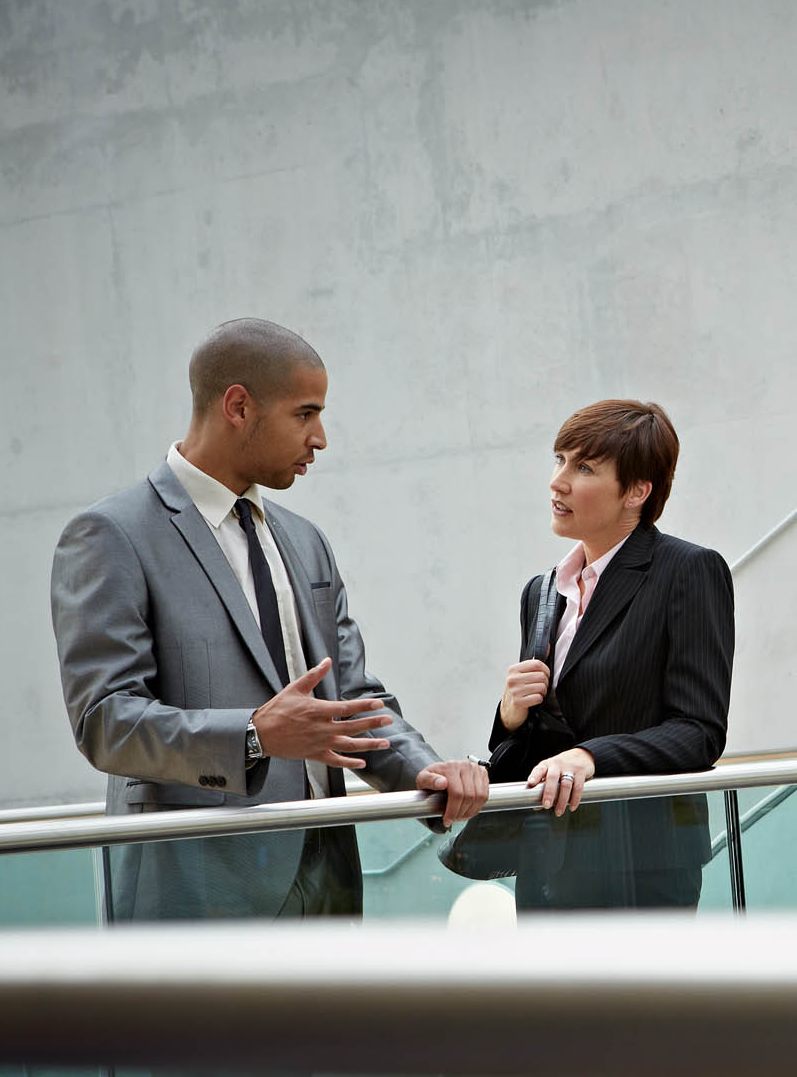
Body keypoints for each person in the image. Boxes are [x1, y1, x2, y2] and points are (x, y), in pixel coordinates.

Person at [49, 318, 488, 920]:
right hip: (198, 888)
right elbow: (105, 720)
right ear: (238, 406)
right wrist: (254, 735)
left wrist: (425, 771)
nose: (321, 438)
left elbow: (351, 696)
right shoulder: (113, 535)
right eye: (305, 414)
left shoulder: (306, 543)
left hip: (327, 870)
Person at [493, 399, 734, 910]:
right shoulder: (540, 594)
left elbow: (699, 731)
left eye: (583, 467)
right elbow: (537, 742)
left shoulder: (687, 572)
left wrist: (591, 757)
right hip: (546, 857)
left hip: (642, 860)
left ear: (638, 491)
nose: (558, 481)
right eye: (559, 460)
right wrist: (510, 715)